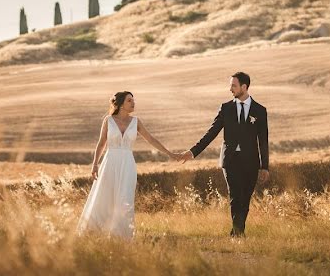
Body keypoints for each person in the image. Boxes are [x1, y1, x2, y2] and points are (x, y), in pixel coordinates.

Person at [78, 91, 180, 237]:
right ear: (120, 104)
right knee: (105, 196)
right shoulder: (108, 120)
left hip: (127, 164)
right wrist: (95, 164)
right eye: (129, 101)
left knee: (125, 198)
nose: (133, 103)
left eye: (133, 100)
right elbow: (101, 144)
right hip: (110, 162)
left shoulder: (136, 122)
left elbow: (151, 139)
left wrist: (170, 154)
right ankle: (95, 232)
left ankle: (121, 236)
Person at [180, 71, 269, 236]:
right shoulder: (226, 108)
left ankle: (238, 231)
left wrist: (265, 166)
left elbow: (263, 141)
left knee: (245, 199)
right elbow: (211, 133)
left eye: (233, 86)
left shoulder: (260, 111)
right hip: (230, 161)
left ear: (244, 87)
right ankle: (237, 234)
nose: (231, 89)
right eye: (230, 86)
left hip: (251, 162)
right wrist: (193, 152)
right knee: (235, 196)